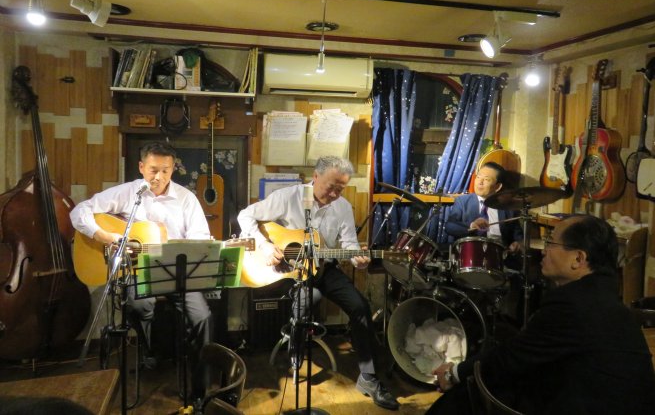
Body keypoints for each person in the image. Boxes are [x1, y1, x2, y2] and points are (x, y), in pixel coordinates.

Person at [428, 215, 655, 415]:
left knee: (465, 397)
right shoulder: (601, 294)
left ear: (578, 259)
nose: (544, 250)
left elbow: (512, 357)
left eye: (551, 243)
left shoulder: (573, 304)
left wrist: (454, 373)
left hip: (596, 406)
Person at [237, 156, 399, 411]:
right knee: (307, 300)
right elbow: (245, 215)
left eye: (340, 189)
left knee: (360, 306)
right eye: (331, 186)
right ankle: (296, 349)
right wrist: (265, 245)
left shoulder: (343, 207)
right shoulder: (288, 197)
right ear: (315, 176)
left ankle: (368, 377)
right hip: (291, 270)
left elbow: (350, 246)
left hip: (326, 268)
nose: (335, 194)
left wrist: (359, 261)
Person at [70, 141, 213, 403]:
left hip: (177, 273)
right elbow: (80, 211)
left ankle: (199, 392)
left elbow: (201, 237)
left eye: (165, 171)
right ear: (141, 167)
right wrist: (104, 236)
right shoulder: (129, 193)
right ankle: (153, 348)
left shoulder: (186, 199)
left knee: (202, 317)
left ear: (173, 169)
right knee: (138, 304)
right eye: (153, 170)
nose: (159, 177)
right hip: (138, 273)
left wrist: (190, 247)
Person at [445, 161, 522, 251]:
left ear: (497, 187)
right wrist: (471, 226)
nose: (480, 182)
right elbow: (449, 226)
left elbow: (518, 236)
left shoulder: (506, 207)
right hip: (470, 252)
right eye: (478, 177)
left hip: (499, 253)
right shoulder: (462, 201)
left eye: (486, 179)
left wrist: (517, 243)